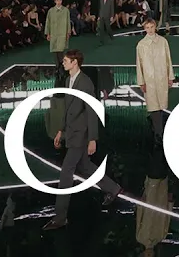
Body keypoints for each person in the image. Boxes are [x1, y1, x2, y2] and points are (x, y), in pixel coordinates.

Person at [43, 49, 123, 230]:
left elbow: (91, 111)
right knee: (85, 166)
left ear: (75, 62)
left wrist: (92, 139)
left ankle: (60, 217)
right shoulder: (68, 80)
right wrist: (61, 131)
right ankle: (113, 188)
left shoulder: (85, 83)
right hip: (71, 132)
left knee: (66, 174)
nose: (63, 63)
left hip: (81, 135)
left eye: (66, 60)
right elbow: (67, 110)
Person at [135, 17, 174, 145]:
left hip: (162, 76)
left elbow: (168, 59)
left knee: (161, 104)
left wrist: (170, 77)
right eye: (147, 27)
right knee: (153, 105)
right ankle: (159, 133)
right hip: (149, 79)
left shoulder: (163, 42)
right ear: (144, 29)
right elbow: (139, 64)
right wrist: (141, 81)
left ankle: (156, 127)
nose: (150, 30)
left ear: (155, 27)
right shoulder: (141, 45)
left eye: (152, 27)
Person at [46, 0, 71, 79]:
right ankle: (57, 66)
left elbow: (68, 21)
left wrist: (68, 32)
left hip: (62, 33)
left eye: (60, 0)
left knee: (61, 50)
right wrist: (48, 33)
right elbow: (48, 22)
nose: (58, 2)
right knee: (54, 50)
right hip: (53, 33)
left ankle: (61, 66)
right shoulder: (51, 11)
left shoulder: (66, 11)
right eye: (57, 0)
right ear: (55, 1)